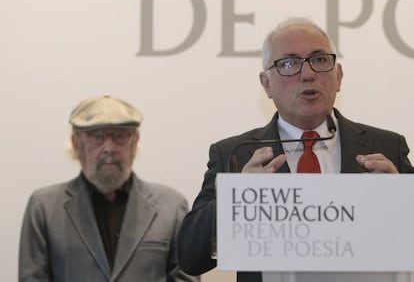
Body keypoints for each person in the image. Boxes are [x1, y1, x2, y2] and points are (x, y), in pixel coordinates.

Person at [176, 18, 414, 282]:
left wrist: (401, 203)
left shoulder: (387, 148)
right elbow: (190, 257)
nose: (308, 74)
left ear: (339, 76)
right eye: (289, 63)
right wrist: (236, 200)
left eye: (320, 60)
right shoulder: (235, 154)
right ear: (266, 84)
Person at [19, 94, 199, 282]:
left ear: (135, 141)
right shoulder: (44, 208)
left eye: (120, 136)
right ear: (76, 143)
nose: (109, 147)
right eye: (98, 137)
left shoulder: (171, 207)